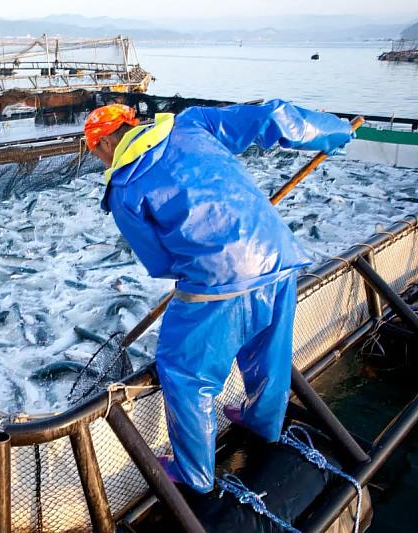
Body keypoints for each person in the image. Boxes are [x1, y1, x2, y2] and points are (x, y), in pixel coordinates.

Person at [83, 101, 353, 493]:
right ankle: (263, 424)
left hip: (220, 279)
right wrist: (336, 131)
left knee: (184, 369)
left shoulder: (124, 188)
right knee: (268, 351)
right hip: (279, 255)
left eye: (94, 150)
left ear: (106, 141)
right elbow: (270, 116)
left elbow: (160, 262)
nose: (98, 159)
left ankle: (194, 474)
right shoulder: (191, 123)